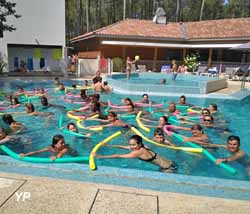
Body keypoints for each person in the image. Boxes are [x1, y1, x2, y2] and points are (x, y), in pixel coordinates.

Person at [94, 135, 177, 173]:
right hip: (171, 162)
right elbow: (124, 147)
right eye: (130, 144)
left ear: (139, 144)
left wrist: (100, 156)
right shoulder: (143, 146)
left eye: (133, 145)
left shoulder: (138, 152)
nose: (131, 147)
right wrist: (109, 145)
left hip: (169, 168)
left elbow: (118, 156)